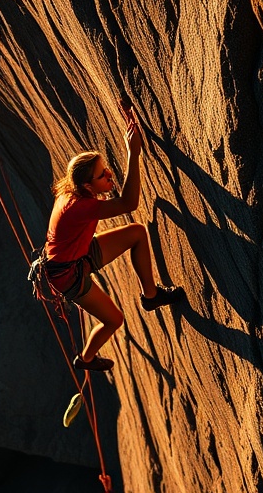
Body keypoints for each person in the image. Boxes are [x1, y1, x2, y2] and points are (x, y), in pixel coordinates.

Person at [44, 107, 184, 371]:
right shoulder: (79, 205)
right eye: (102, 175)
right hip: (67, 275)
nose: (109, 175)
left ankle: (151, 296)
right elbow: (129, 203)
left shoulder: (75, 190)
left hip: (77, 254)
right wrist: (133, 153)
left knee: (137, 233)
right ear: (87, 186)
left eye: (105, 169)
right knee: (114, 320)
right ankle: (85, 359)